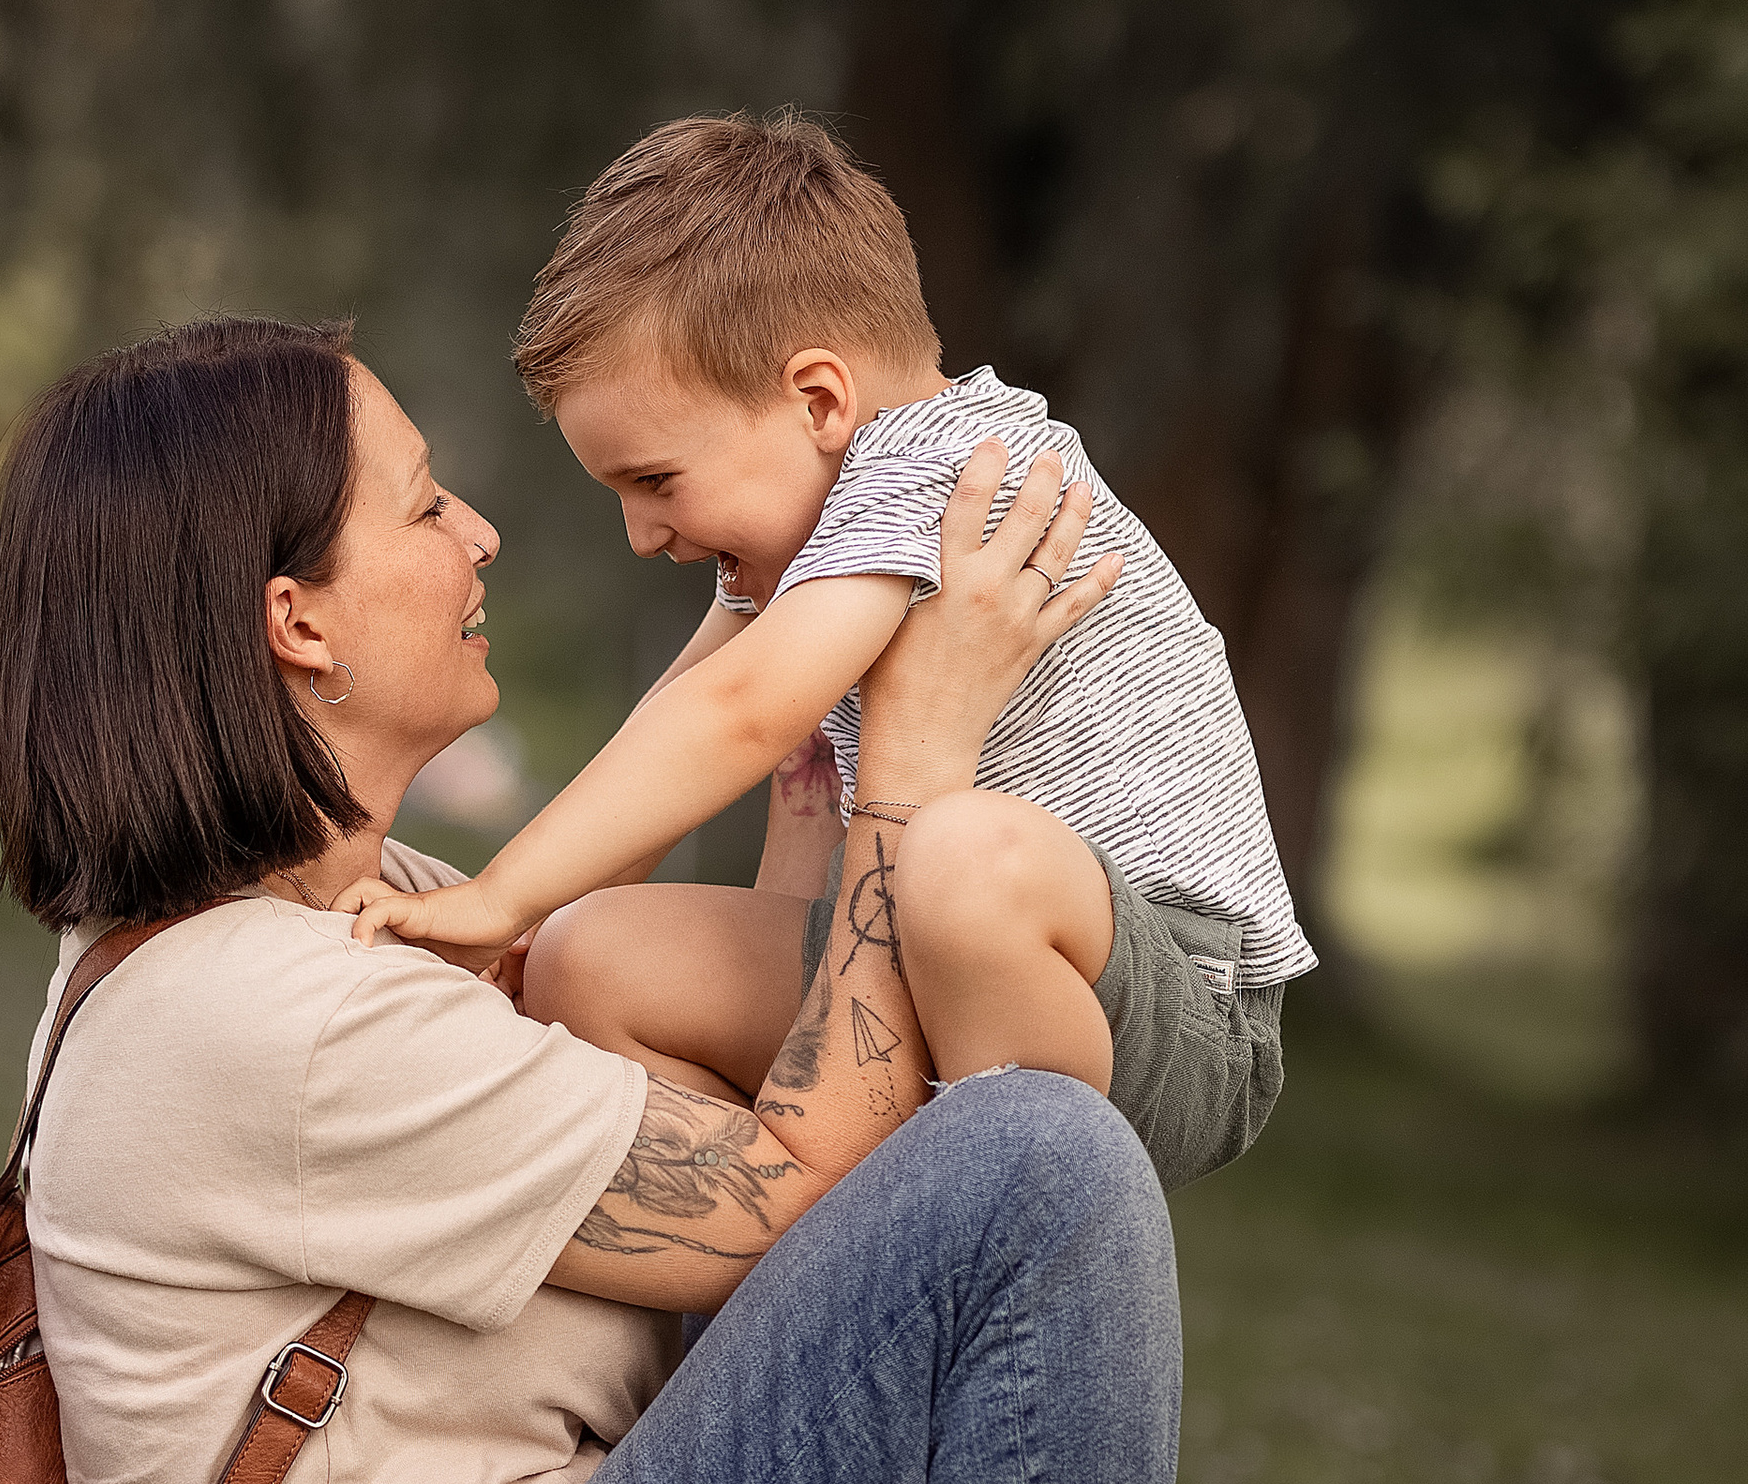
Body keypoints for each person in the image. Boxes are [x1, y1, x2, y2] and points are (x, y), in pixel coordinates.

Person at [0, 311, 1334, 1484]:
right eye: (426, 504)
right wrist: (916, 770)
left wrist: (809, 806)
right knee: (1037, 1160)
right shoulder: (272, 1023)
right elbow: (792, 1184)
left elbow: (766, 1147)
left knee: (974, 1148)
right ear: (295, 619)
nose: (487, 540)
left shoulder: (361, 929)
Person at [336, 112, 1316, 1192]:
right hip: (930, 947)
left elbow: (741, 714)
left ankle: (1003, 1206)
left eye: (655, 481)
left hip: (1162, 993)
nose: (642, 534)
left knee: (963, 857)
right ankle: (791, 1232)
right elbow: (679, 717)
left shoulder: (942, 466)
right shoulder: (825, 524)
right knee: (591, 959)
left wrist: (497, 892)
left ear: (817, 400)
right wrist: (521, 931)